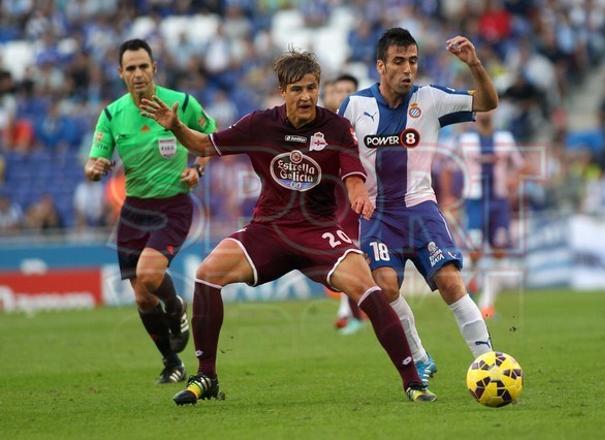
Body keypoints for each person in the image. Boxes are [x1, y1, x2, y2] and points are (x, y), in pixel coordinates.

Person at [139, 49, 436, 405]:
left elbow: (353, 173)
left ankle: (413, 381)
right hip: (269, 229)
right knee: (206, 274)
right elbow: (204, 144)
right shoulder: (259, 125)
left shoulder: (336, 127)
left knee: (369, 290)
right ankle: (206, 376)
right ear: (283, 91)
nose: (307, 96)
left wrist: (358, 194)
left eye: (312, 87)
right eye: (298, 89)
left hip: (318, 231)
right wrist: (175, 127)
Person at [339, 28, 498, 386]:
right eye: (398, 61)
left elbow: (488, 102)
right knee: (386, 287)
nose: (407, 69)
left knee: (450, 281)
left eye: (412, 61)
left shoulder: (431, 99)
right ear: (381, 66)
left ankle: (487, 360)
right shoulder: (354, 107)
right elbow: (337, 154)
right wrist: (354, 187)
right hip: (377, 214)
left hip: (420, 208)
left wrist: (474, 64)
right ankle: (421, 358)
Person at [84, 39, 216, 384]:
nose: (138, 73)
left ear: (154, 67)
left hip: (173, 204)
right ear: (121, 73)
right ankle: (172, 362)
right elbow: (93, 161)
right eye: (131, 68)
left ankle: (177, 310)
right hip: (135, 209)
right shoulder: (113, 114)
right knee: (142, 297)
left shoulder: (181, 103)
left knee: (149, 273)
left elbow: (213, 137)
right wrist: (95, 167)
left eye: (144, 66)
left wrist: (197, 168)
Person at [449, 110, 526, 318]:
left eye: (489, 107)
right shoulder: (465, 139)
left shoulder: (505, 138)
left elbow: (520, 165)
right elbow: (449, 166)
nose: (485, 112)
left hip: (499, 203)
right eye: (481, 108)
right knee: (473, 253)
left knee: (500, 252)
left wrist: (513, 182)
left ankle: (486, 306)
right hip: (474, 201)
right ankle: (461, 301)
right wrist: (450, 198)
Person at [322, 73, 365, 334]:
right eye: (338, 90)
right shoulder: (328, 126)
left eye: (348, 90)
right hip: (338, 196)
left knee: (359, 255)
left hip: (363, 193)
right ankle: (351, 312)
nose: (342, 95)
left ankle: (353, 312)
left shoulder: (366, 122)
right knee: (347, 253)